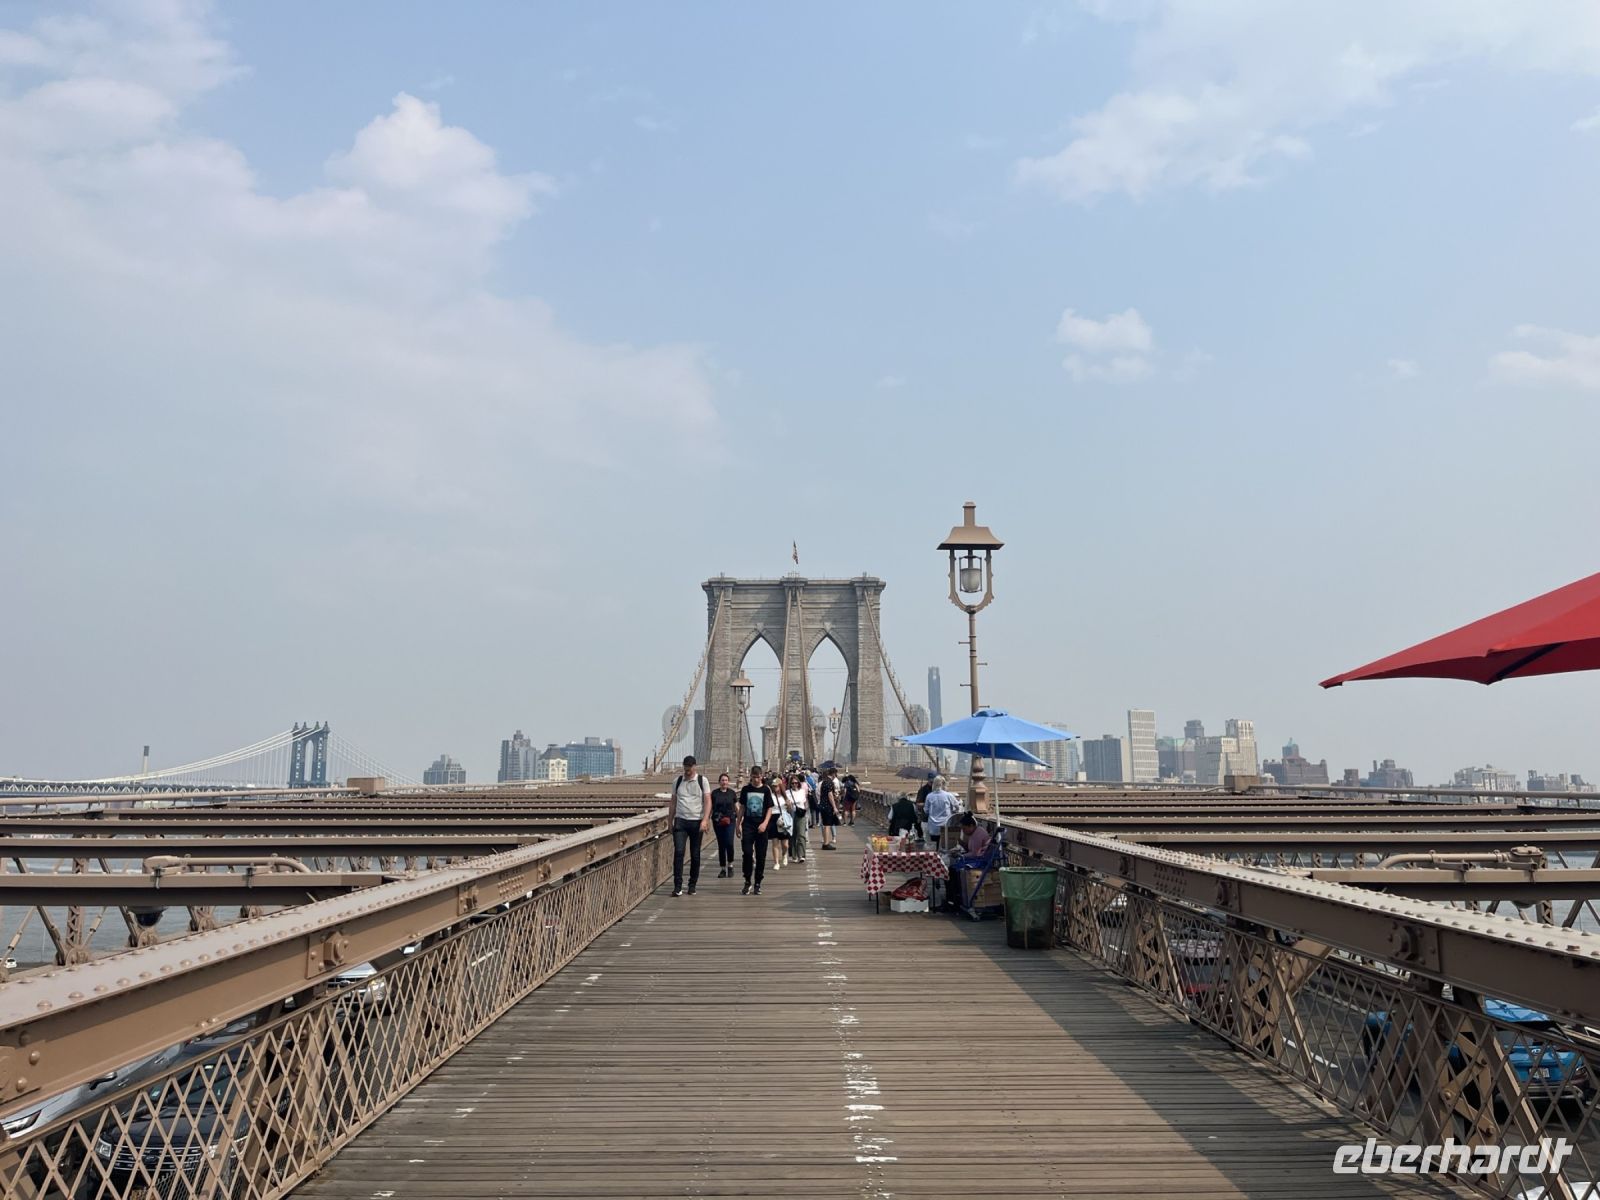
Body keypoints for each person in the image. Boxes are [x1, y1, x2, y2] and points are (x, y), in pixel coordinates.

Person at [671, 755, 711, 897]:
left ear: (694, 767)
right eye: (685, 769)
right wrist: (670, 821)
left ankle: (692, 884)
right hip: (680, 821)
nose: (687, 772)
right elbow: (673, 802)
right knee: (679, 852)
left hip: (696, 821)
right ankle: (677, 886)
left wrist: (705, 820)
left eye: (689, 769)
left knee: (695, 854)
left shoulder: (702, 781)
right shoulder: (677, 781)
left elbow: (707, 801)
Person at [737, 766, 776, 895]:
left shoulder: (766, 790)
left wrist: (765, 823)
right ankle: (747, 881)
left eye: (758, 777)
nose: (756, 779)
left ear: (762, 776)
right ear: (751, 777)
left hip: (762, 827)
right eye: (754, 777)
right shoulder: (745, 790)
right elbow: (742, 807)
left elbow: (770, 809)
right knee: (747, 853)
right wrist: (738, 824)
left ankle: (758, 882)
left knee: (761, 856)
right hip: (748, 825)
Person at [710, 772, 739, 877]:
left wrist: (740, 820)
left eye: (726, 780)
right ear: (719, 782)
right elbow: (711, 808)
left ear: (728, 782)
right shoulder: (714, 793)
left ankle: (730, 865)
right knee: (721, 844)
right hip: (718, 821)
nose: (724, 782)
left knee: (729, 843)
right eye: (722, 780)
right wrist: (706, 820)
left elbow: (736, 807)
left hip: (730, 820)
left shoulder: (732, 793)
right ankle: (723, 868)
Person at [923, 775, 958, 847]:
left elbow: (926, 811)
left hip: (933, 826)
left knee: (934, 846)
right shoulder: (949, 795)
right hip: (945, 825)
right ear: (943, 784)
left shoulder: (929, 796)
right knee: (944, 847)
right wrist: (952, 811)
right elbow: (957, 807)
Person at [769, 775, 792, 871]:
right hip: (773, 818)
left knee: (785, 844)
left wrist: (789, 805)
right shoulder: (770, 796)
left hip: (783, 819)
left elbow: (790, 810)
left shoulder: (785, 796)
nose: (775, 788)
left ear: (780, 786)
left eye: (776, 786)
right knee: (775, 842)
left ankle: (784, 854)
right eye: (773, 786)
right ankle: (776, 862)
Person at [817, 766, 841, 849]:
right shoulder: (830, 782)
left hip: (822, 805)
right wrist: (834, 807)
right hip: (827, 806)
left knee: (825, 824)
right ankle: (826, 844)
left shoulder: (824, 781)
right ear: (834, 774)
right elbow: (830, 795)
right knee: (828, 824)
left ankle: (825, 841)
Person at [788, 772, 809, 863]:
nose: (794, 784)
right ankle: (794, 855)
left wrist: (806, 811)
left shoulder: (802, 791)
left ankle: (802, 855)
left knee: (801, 835)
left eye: (796, 783)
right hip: (791, 814)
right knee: (792, 835)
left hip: (801, 814)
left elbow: (805, 802)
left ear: (799, 783)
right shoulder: (787, 792)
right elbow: (786, 804)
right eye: (792, 783)